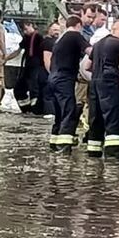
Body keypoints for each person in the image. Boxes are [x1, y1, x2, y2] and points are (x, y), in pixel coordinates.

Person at [85, 21, 119, 159]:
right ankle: (113, 153)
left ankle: (94, 151)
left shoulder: (97, 45)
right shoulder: (118, 43)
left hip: (94, 82)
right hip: (109, 80)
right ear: (114, 29)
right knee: (113, 114)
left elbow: (87, 66)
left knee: (95, 116)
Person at [48, 16, 91, 155]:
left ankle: (54, 141)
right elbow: (90, 51)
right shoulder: (75, 35)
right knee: (69, 109)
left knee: (59, 111)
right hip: (64, 78)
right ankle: (64, 145)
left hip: (53, 77)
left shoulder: (61, 38)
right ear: (78, 25)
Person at [8, 21, 44, 114]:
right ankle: (26, 108)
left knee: (34, 89)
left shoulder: (39, 38)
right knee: (19, 88)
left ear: (31, 25)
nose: (25, 32)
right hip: (27, 66)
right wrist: (6, 58)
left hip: (37, 66)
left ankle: (36, 110)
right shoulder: (26, 38)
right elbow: (18, 51)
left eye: (26, 29)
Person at [40, 23, 62, 121]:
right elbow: (47, 59)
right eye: (54, 29)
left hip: (55, 71)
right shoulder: (48, 42)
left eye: (58, 30)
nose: (56, 32)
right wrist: (51, 72)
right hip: (48, 72)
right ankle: (50, 112)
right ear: (49, 30)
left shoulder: (57, 41)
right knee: (48, 93)